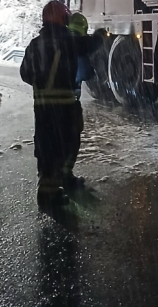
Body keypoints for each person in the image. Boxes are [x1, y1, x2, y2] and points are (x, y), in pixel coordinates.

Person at [20, 0, 85, 208]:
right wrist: (100, 36)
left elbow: (25, 74)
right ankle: (49, 196)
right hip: (65, 107)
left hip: (42, 109)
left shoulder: (35, 44)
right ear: (61, 18)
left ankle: (54, 186)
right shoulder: (67, 41)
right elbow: (90, 47)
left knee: (47, 148)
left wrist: (43, 84)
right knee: (66, 145)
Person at [64, 12, 96, 190]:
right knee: (71, 139)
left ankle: (49, 184)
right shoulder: (77, 45)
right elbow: (85, 73)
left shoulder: (57, 42)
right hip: (69, 103)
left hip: (45, 105)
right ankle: (66, 178)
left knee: (51, 142)